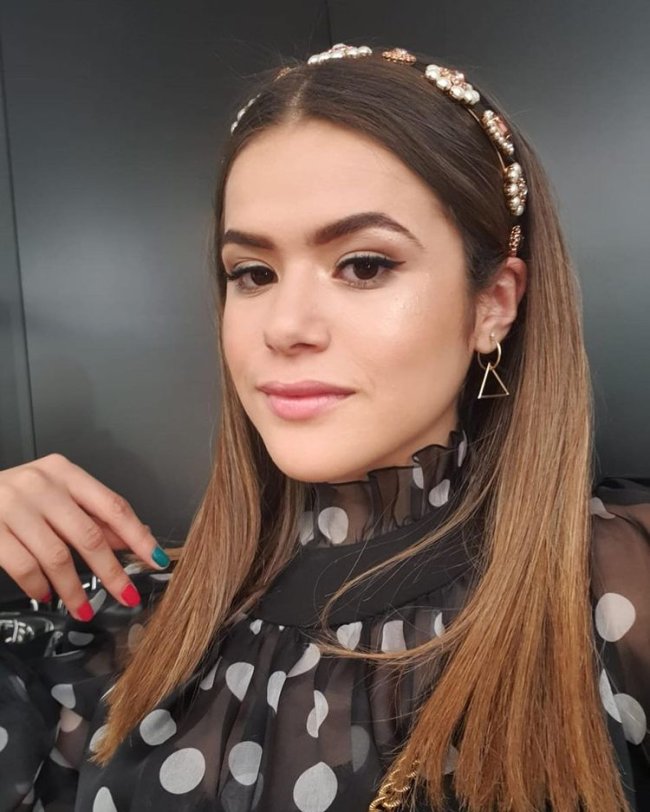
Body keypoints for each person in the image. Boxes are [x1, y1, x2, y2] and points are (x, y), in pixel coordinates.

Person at [0, 41, 647, 812]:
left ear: (494, 304)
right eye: (253, 274)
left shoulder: (610, 589)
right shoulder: (127, 624)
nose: (285, 326)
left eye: (364, 265)